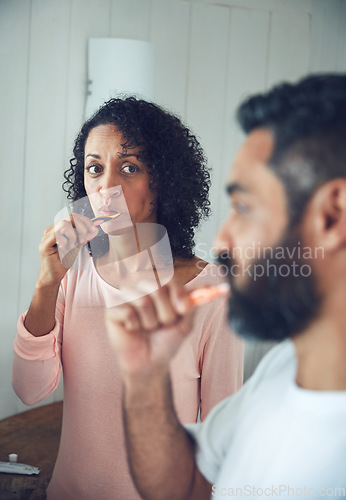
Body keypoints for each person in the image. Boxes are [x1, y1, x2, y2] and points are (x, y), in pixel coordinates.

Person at [105, 75, 346, 500]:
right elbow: (186, 487)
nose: (221, 243)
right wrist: (145, 377)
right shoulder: (284, 368)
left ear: (332, 217)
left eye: (244, 207)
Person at [12, 97, 243, 500]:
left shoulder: (212, 296)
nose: (106, 187)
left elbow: (225, 442)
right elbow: (29, 391)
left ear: (163, 181)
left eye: (129, 167)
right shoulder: (72, 273)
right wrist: (46, 283)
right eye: (95, 168)